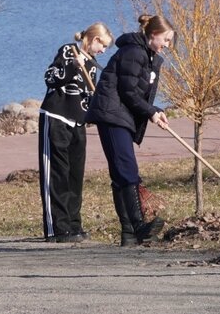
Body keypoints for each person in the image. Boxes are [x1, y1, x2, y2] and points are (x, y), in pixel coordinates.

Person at [85, 14, 174, 247]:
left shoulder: (146, 54)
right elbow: (129, 92)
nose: (167, 45)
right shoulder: (134, 52)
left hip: (119, 115)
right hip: (111, 115)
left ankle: (129, 233)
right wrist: (150, 112)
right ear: (154, 34)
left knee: (120, 173)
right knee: (127, 169)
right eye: (166, 39)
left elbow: (139, 93)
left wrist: (155, 110)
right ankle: (138, 226)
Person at [39, 22, 113, 243]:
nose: (103, 51)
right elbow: (50, 79)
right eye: (103, 46)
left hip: (78, 123)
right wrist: (73, 66)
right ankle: (57, 229)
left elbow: (89, 95)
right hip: (56, 118)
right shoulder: (68, 51)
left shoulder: (93, 64)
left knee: (75, 176)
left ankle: (74, 225)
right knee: (57, 174)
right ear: (94, 39)